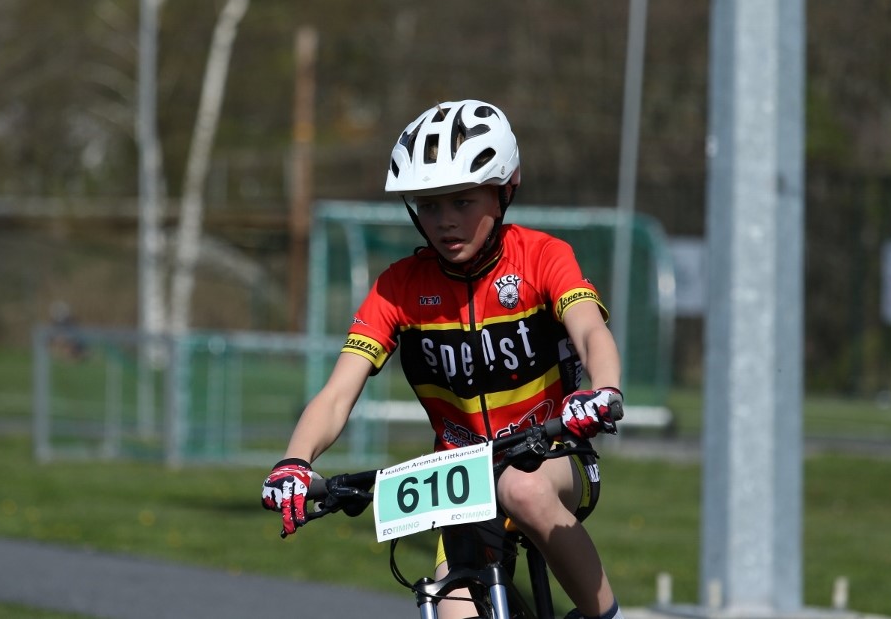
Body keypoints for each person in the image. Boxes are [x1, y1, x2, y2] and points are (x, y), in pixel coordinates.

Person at [262, 99, 625, 619]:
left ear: (504, 192)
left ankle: (605, 615)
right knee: (446, 605)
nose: (445, 221)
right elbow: (338, 393)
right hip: (462, 479)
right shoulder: (398, 287)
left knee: (522, 488)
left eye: (462, 202)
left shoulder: (543, 256)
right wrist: (294, 462)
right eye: (429, 206)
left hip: (552, 454)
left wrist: (603, 390)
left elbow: (590, 329)